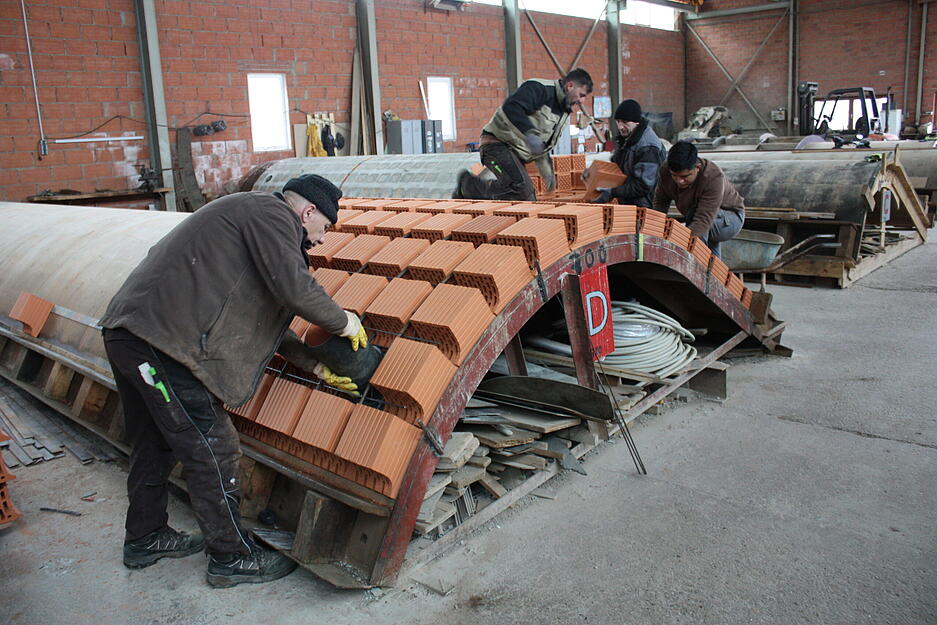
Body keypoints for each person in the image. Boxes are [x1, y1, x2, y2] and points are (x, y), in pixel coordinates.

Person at [99, 174, 367, 588]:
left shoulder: (251, 219)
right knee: (214, 446)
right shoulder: (273, 214)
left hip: (133, 335)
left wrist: (314, 367)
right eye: (325, 228)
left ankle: (145, 537)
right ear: (308, 211)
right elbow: (294, 289)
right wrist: (343, 321)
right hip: (163, 345)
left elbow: (273, 316)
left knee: (154, 444)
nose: (322, 240)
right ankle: (231, 556)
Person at [455, 68, 594, 201]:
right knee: (521, 189)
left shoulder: (562, 111)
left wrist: (547, 173)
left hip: (515, 153)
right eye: (581, 95)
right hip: (496, 145)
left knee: (528, 198)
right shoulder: (540, 89)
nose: (582, 101)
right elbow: (511, 107)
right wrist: (529, 133)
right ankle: (469, 186)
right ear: (570, 86)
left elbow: (540, 146)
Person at [653, 141, 745, 257]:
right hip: (703, 216)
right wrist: (655, 227)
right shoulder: (666, 170)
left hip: (730, 219)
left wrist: (682, 254)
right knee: (712, 263)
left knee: (695, 222)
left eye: (685, 176)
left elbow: (703, 220)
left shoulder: (713, 177)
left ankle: (698, 265)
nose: (679, 181)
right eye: (674, 175)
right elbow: (661, 201)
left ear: (697, 167)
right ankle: (713, 273)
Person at [588, 99, 666, 207]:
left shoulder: (647, 147)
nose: (620, 126)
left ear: (636, 122)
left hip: (646, 207)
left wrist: (613, 192)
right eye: (618, 121)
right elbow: (617, 167)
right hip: (630, 204)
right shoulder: (626, 140)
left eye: (625, 122)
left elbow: (643, 186)